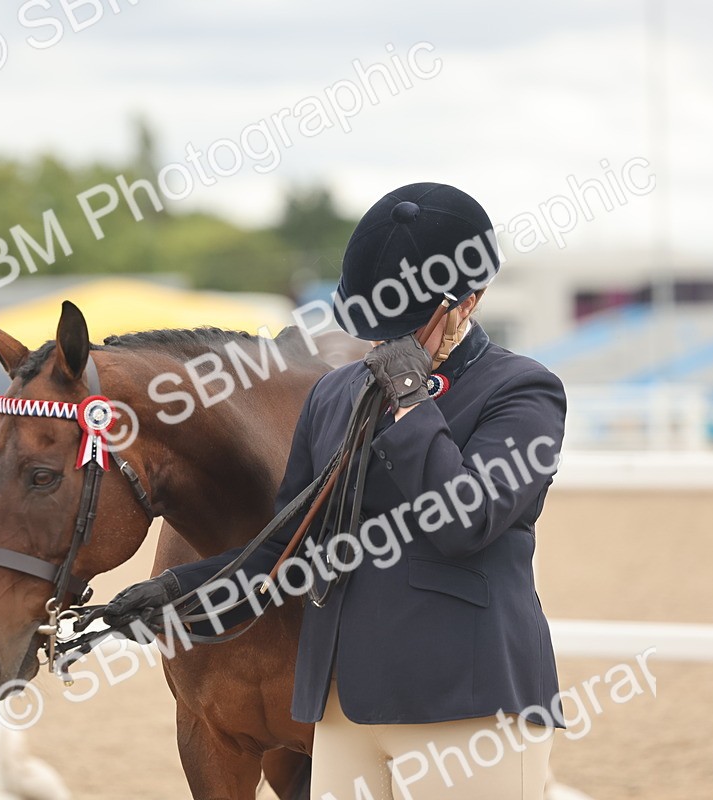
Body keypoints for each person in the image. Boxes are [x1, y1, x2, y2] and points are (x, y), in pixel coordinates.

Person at [104, 183, 567, 799]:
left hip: (465, 696)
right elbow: (290, 546)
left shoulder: (522, 391)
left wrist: (412, 398)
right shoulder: (334, 393)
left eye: (401, 326)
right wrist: (181, 595)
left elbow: (463, 521)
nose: (381, 343)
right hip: (343, 707)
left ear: (467, 302)